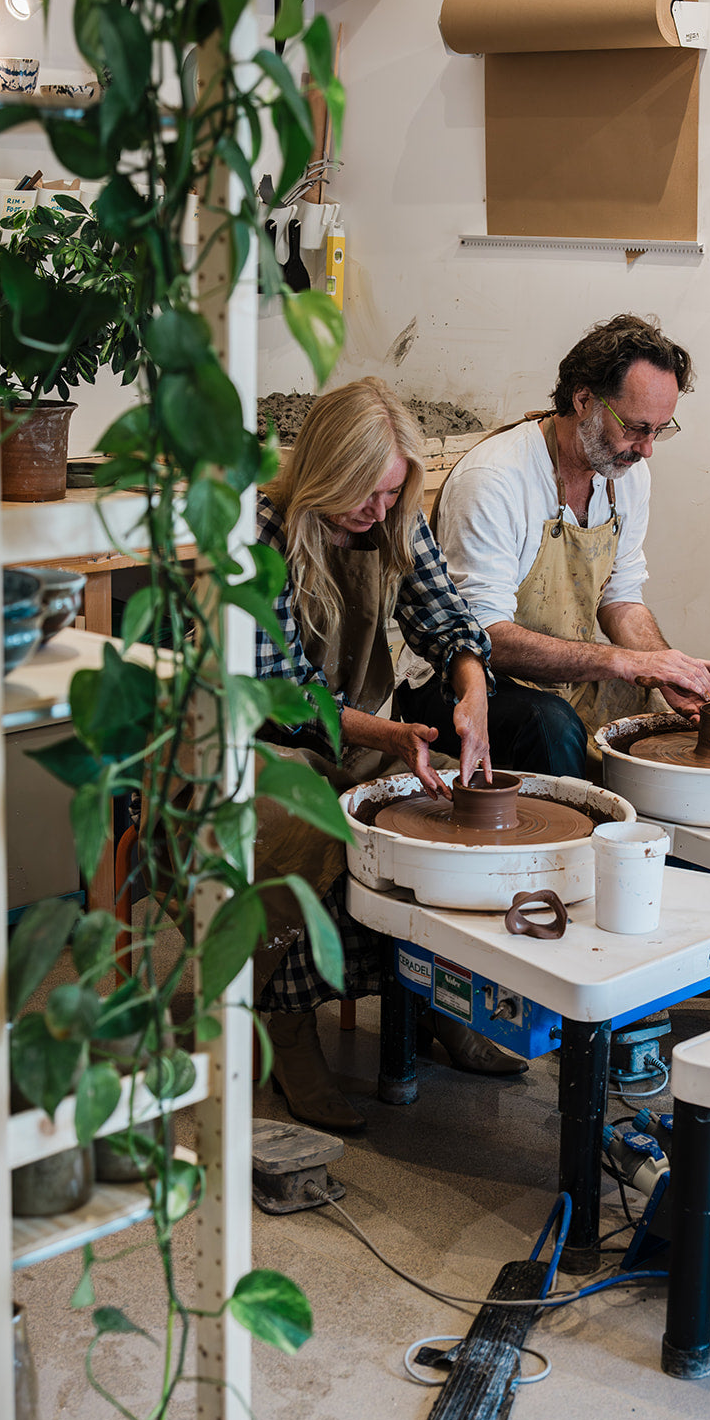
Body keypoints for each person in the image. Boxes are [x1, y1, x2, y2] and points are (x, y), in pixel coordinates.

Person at [253, 377, 527, 1137]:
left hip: (351, 737)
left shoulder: (391, 518)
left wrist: (470, 689)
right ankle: (282, 1027)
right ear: (325, 473)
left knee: (423, 822)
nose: (378, 513)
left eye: (390, 495)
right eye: (365, 495)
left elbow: (448, 620)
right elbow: (278, 692)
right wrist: (388, 736)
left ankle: (437, 1002)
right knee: (305, 823)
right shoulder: (258, 531)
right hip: (246, 741)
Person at [399, 314, 710, 778]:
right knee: (551, 725)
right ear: (583, 399)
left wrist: (665, 670)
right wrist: (624, 661)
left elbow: (621, 598)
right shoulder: (495, 479)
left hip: (558, 672)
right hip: (457, 678)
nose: (647, 449)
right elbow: (484, 634)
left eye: (660, 430)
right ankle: (567, 846)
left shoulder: (627, 475)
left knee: (696, 708)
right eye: (636, 427)